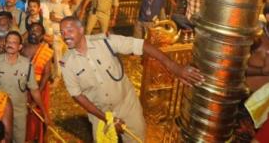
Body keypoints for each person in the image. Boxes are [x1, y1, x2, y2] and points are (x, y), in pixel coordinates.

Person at [59, 16, 204, 142]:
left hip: (127, 105)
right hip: (99, 112)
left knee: (137, 138)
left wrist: (174, 67)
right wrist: (106, 119)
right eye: (62, 32)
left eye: (69, 30)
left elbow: (142, 45)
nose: (65, 35)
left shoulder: (106, 42)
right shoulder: (67, 63)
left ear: (81, 30)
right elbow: (77, 96)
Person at [0, 31, 49, 143]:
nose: (10, 44)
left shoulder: (27, 65)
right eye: (8, 41)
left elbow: (34, 90)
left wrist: (44, 112)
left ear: (20, 47)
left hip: (19, 112)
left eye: (14, 42)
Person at [21, 22, 53, 142]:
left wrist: (36, 98)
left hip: (40, 88)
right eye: (32, 30)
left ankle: (37, 138)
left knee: (37, 115)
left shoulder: (46, 51)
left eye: (37, 31)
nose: (34, 32)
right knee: (24, 115)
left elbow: (46, 74)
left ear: (42, 36)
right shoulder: (21, 47)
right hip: (22, 87)